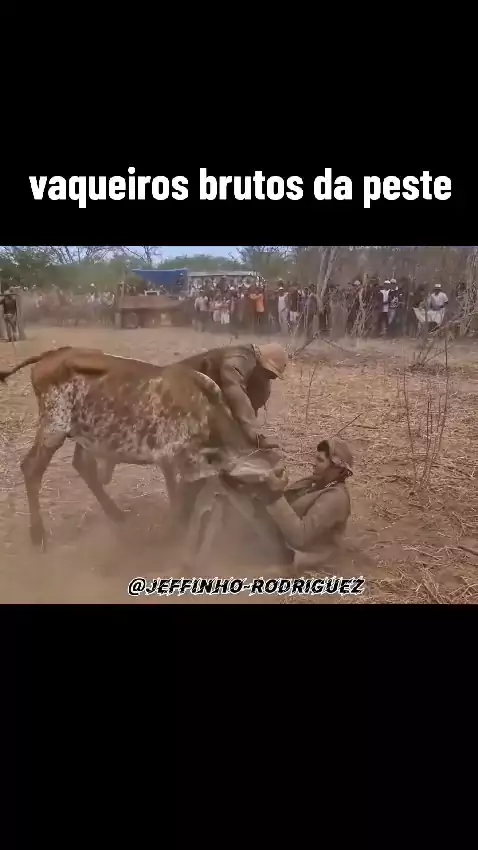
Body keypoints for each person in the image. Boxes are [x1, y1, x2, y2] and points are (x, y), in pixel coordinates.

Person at [256, 437, 354, 571]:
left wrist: (275, 495)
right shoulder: (316, 482)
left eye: (320, 460)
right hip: (279, 537)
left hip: (300, 555)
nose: (313, 463)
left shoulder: (335, 498)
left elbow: (300, 538)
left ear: (337, 469)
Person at [179, 342, 288, 450]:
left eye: (272, 376)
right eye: (269, 373)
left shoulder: (255, 375)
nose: (270, 378)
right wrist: (254, 431)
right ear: (260, 361)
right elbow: (234, 389)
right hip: (178, 385)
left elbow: (249, 405)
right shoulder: (240, 357)